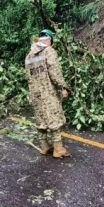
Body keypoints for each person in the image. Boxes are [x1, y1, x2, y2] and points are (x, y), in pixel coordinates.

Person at [25, 29, 71, 158]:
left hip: (35, 92)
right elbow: (54, 72)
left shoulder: (29, 55)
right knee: (54, 117)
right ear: (49, 40)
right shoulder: (49, 51)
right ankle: (58, 149)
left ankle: (44, 146)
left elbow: (28, 76)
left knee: (41, 118)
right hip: (48, 92)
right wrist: (63, 87)